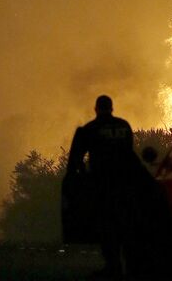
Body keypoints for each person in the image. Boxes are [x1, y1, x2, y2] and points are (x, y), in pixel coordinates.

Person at [66, 95, 138, 277]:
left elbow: (75, 160)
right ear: (112, 108)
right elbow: (130, 155)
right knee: (126, 224)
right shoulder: (124, 126)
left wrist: (81, 178)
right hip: (125, 184)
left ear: (96, 109)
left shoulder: (90, 129)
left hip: (101, 186)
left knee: (107, 226)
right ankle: (130, 265)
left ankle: (113, 265)